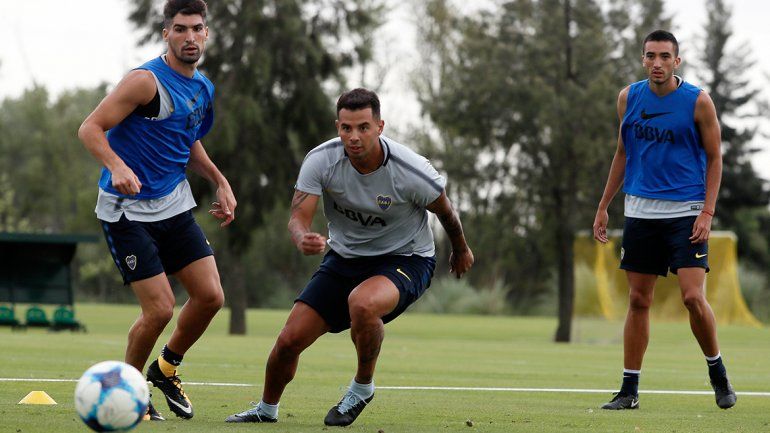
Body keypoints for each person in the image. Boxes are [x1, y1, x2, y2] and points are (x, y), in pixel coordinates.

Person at [225, 88, 474, 426]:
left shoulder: (412, 171)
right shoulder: (321, 160)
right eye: (346, 128)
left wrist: (460, 248)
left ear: (380, 126)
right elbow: (298, 218)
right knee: (287, 341)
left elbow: (446, 211)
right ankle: (266, 410)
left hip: (406, 257)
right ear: (337, 126)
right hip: (344, 258)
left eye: (363, 127)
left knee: (363, 303)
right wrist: (302, 238)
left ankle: (361, 387)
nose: (353, 137)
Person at [78, 0, 235, 421]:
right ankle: (132, 394)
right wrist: (117, 165)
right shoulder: (145, 82)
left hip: (173, 205)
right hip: (125, 211)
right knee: (161, 308)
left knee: (210, 297)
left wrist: (219, 181)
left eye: (196, 28)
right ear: (166, 33)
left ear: (206, 33)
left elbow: (189, 143)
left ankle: (166, 368)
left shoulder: (203, 88)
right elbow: (90, 128)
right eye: (180, 29)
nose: (189, 37)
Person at [592, 30, 736, 410]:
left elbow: (716, 159)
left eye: (664, 56)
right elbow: (623, 152)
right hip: (639, 211)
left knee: (692, 297)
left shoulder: (698, 102)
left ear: (677, 60)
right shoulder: (628, 98)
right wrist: (604, 204)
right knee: (638, 300)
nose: (657, 63)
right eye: (651, 56)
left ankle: (717, 372)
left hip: (686, 212)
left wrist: (707, 211)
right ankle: (629, 391)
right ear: (643, 59)